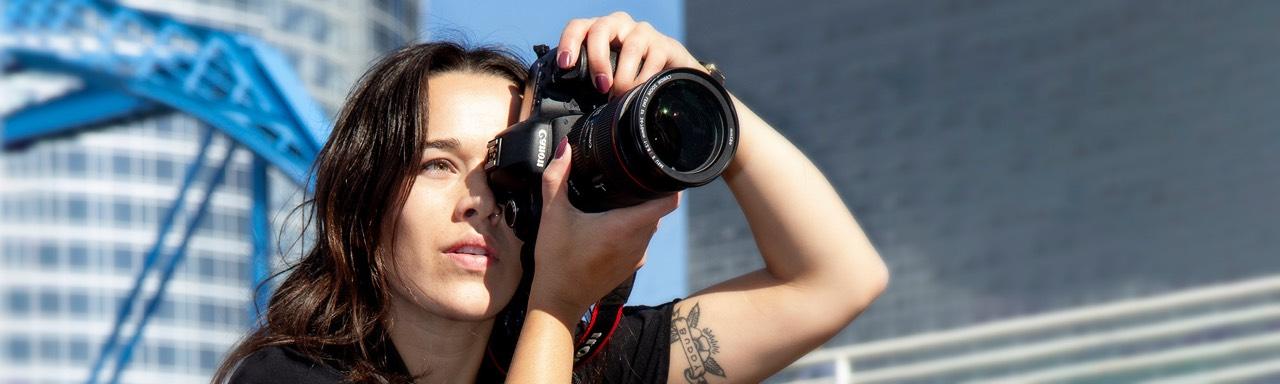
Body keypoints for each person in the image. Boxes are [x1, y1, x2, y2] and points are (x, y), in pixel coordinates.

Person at [215, 12, 888, 384]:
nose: (477, 199)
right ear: (363, 202)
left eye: (506, 167)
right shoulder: (289, 378)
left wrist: (690, 86)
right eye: (437, 165)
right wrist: (556, 307)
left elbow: (836, 280)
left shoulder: (582, 356)